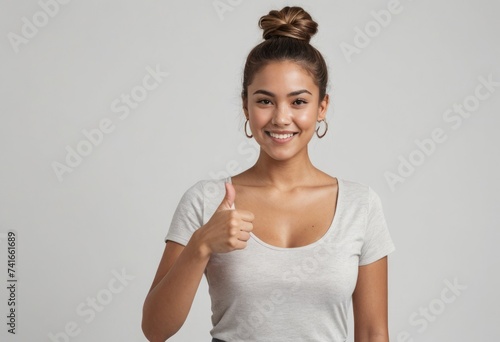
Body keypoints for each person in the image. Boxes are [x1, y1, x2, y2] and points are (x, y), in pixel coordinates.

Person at [142, 6, 395, 342]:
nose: (281, 118)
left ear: (322, 107)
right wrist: (201, 244)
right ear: (245, 106)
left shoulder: (360, 205)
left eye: (298, 102)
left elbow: (373, 332)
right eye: (265, 101)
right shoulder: (206, 201)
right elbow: (155, 329)